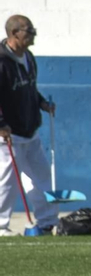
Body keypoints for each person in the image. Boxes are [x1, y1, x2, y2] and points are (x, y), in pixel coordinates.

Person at [0, 15, 60, 238]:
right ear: (15, 33)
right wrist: (1, 125)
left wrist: (42, 103)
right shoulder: (1, 61)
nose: (33, 34)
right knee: (6, 181)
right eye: (29, 30)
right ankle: (1, 225)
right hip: (8, 134)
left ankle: (47, 222)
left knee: (42, 176)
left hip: (30, 131)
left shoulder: (28, 58)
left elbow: (29, 88)